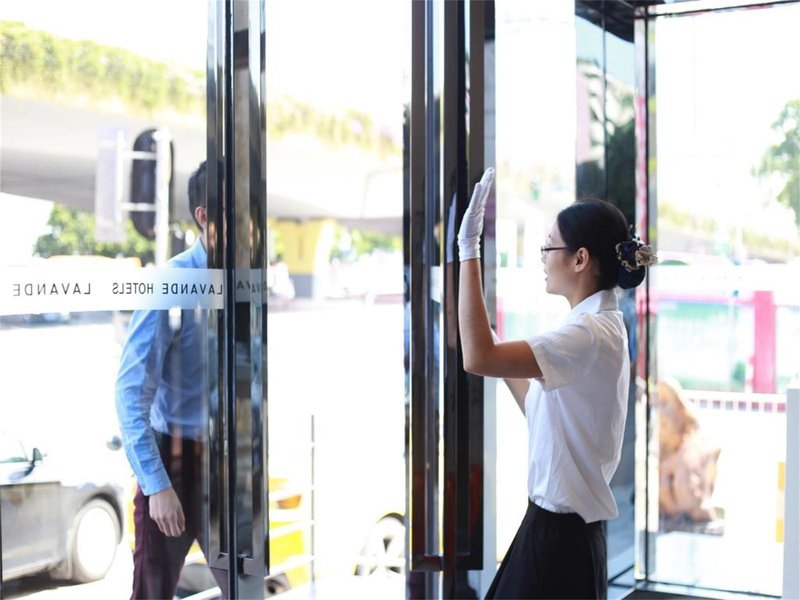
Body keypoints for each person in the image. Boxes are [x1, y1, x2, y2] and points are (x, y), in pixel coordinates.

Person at [456, 168, 656, 599]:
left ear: (580, 259)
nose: (543, 256)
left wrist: (468, 248)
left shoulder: (588, 333)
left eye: (549, 246)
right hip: (552, 531)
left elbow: (477, 359)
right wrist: (487, 334)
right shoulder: (593, 326)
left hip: (560, 543)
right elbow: (534, 403)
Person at [116, 161, 227, 599]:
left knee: (250, 589)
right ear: (205, 217)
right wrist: (157, 485)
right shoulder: (171, 282)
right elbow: (129, 394)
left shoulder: (245, 283)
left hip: (228, 464)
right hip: (175, 462)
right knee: (152, 593)